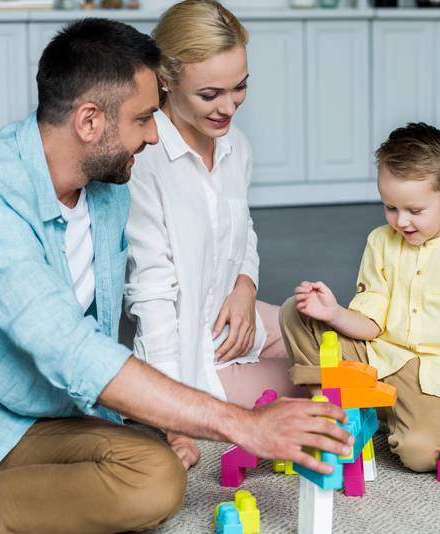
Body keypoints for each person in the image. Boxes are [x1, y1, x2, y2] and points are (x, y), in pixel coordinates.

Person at [0, 18, 351, 534]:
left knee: (158, 476)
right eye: (144, 118)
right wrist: (241, 423)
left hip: (50, 413)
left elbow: (95, 348)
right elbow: (68, 344)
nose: (153, 134)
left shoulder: (107, 187)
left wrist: (162, 414)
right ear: (88, 122)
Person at [124, 0, 303, 470]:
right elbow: (151, 293)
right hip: (191, 353)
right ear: (165, 78)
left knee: (327, 339)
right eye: (210, 94)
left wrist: (245, 287)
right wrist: (173, 417)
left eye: (239, 87)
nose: (228, 107)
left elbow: (242, 230)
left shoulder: (235, 146)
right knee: (315, 383)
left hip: (232, 317)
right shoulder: (144, 161)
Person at [279, 122, 440, 472]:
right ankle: (330, 409)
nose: (401, 221)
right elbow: (371, 324)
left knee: (421, 455)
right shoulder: (380, 241)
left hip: (436, 377)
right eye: (390, 207)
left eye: (415, 211)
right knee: (297, 311)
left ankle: (400, 415)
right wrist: (333, 313)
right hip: (376, 356)